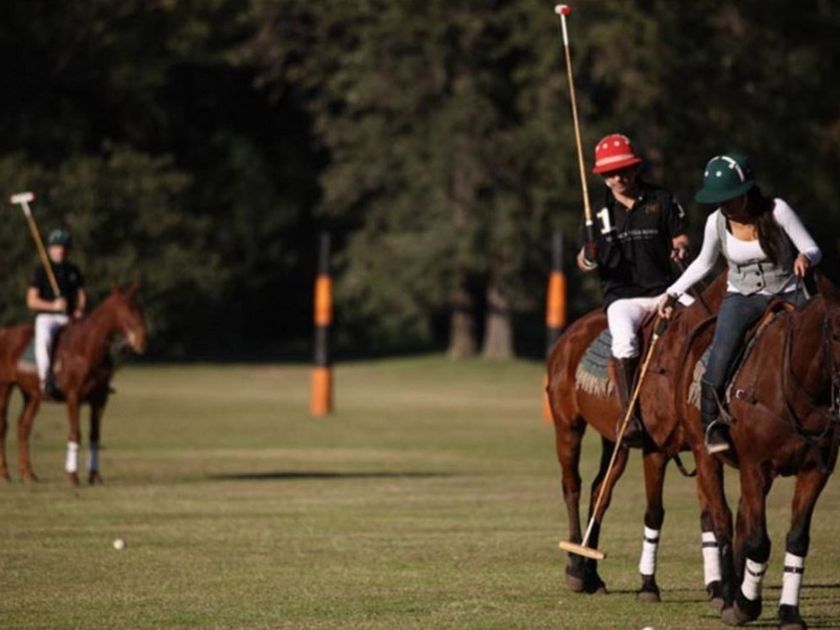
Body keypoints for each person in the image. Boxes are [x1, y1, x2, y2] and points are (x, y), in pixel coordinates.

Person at [657, 154, 821, 454]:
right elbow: (703, 263)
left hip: (787, 290)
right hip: (742, 296)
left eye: (729, 199)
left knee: (823, 344)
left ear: (746, 192)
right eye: (719, 200)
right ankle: (712, 424)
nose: (724, 206)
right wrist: (672, 292)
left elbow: (812, 247)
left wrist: (804, 257)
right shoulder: (716, 222)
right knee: (719, 356)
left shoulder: (777, 210)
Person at [577, 133, 690, 446]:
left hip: (667, 290)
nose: (618, 178)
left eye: (623, 170)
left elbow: (680, 236)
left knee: (705, 322)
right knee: (625, 340)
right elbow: (582, 262)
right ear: (602, 176)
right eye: (610, 174)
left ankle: (709, 407)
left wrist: (680, 247)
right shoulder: (596, 213)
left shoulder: (662, 199)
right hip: (624, 297)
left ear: (635, 168)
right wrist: (589, 254)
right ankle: (629, 416)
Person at [26, 228, 86, 398]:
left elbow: (81, 295)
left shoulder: (73, 270)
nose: (61, 250)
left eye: (64, 247)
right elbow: (31, 301)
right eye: (57, 247)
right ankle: (45, 380)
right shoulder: (41, 271)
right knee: (44, 339)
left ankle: (95, 378)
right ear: (49, 249)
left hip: (70, 317)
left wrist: (80, 310)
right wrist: (53, 305)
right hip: (48, 317)